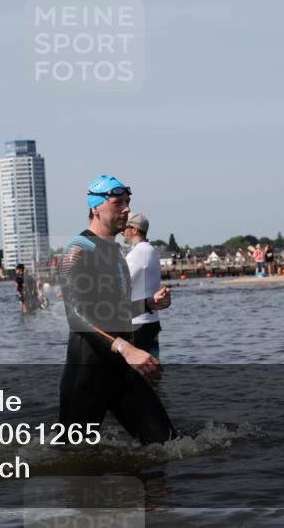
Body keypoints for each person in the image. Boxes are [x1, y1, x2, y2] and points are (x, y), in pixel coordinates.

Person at [58, 175, 177, 445]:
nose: (126, 209)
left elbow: (111, 310)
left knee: (170, 445)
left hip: (120, 372)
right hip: (86, 377)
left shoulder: (114, 251)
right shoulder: (78, 250)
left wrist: (148, 304)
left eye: (127, 202)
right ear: (95, 208)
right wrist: (126, 348)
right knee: (71, 459)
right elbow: (76, 317)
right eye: (118, 203)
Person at [122, 213, 171, 360]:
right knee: (151, 368)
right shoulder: (151, 251)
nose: (121, 230)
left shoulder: (138, 253)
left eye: (125, 227)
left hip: (137, 324)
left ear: (135, 230)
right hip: (150, 321)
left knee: (134, 371)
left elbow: (120, 285)